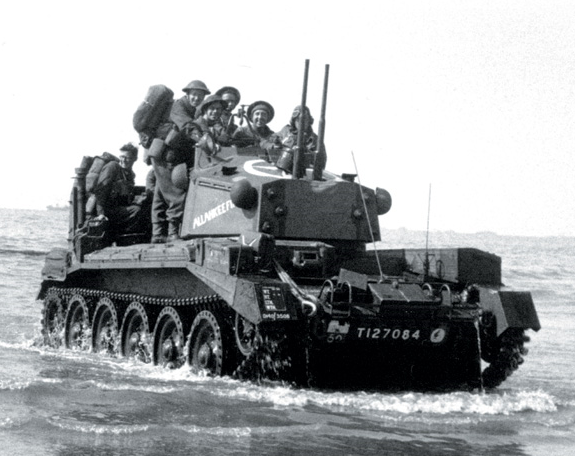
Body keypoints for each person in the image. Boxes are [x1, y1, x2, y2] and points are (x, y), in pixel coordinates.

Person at [149, 80, 210, 243]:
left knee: (160, 194)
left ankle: (157, 233)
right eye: (194, 95)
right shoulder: (178, 106)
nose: (197, 98)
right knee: (176, 192)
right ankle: (172, 233)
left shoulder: (193, 110)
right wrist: (201, 139)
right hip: (167, 155)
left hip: (166, 155)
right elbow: (187, 126)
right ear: (187, 94)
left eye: (200, 96)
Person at [92, 143, 150, 239]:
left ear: (135, 159)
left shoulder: (130, 175)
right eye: (121, 157)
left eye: (127, 158)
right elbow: (101, 191)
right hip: (107, 210)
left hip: (119, 209)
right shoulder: (112, 167)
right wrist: (101, 214)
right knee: (137, 210)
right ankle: (120, 236)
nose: (123, 160)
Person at [276, 105, 327, 174]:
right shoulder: (285, 132)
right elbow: (268, 143)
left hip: (304, 174)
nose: (301, 122)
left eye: (304, 119)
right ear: (294, 121)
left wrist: (305, 153)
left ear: (309, 121)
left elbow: (321, 163)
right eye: (298, 120)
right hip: (280, 170)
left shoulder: (316, 140)